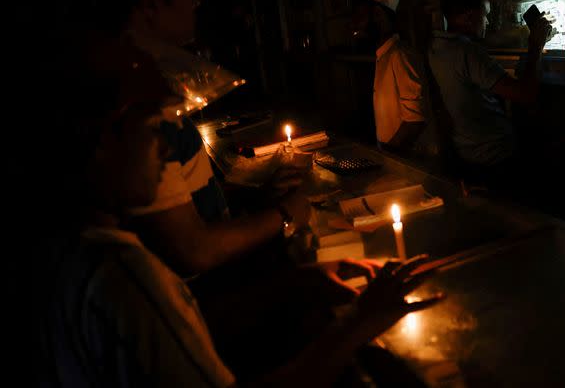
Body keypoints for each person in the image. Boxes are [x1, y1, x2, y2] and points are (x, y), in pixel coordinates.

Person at [28, 39, 443, 387]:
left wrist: (298, 283)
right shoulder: (121, 274)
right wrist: (361, 324)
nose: (167, 149)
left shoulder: (63, 249)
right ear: (104, 140)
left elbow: (187, 327)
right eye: (154, 129)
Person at [76, 0, 309, 277]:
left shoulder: (150, 84)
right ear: (150, 1)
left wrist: (257, 196)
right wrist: (284, 214)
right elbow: (191, 250)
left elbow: (188, 201)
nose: (197, 3)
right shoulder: (134, 105)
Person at [427, 0, 552, 173]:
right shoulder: (468, 52)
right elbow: (525, 94)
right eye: (485, 15)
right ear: (470, 16)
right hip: (494, 155)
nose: (487, 22)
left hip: (465, 151)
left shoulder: (436, 46)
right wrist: (536, 45)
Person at [352, 0, 428, 153]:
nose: (355, 26)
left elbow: (415, 121)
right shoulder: (383, 56)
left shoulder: (399, 54)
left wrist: (388, 157)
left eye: (360, 17)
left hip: (410, 163)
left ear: (378, 15)